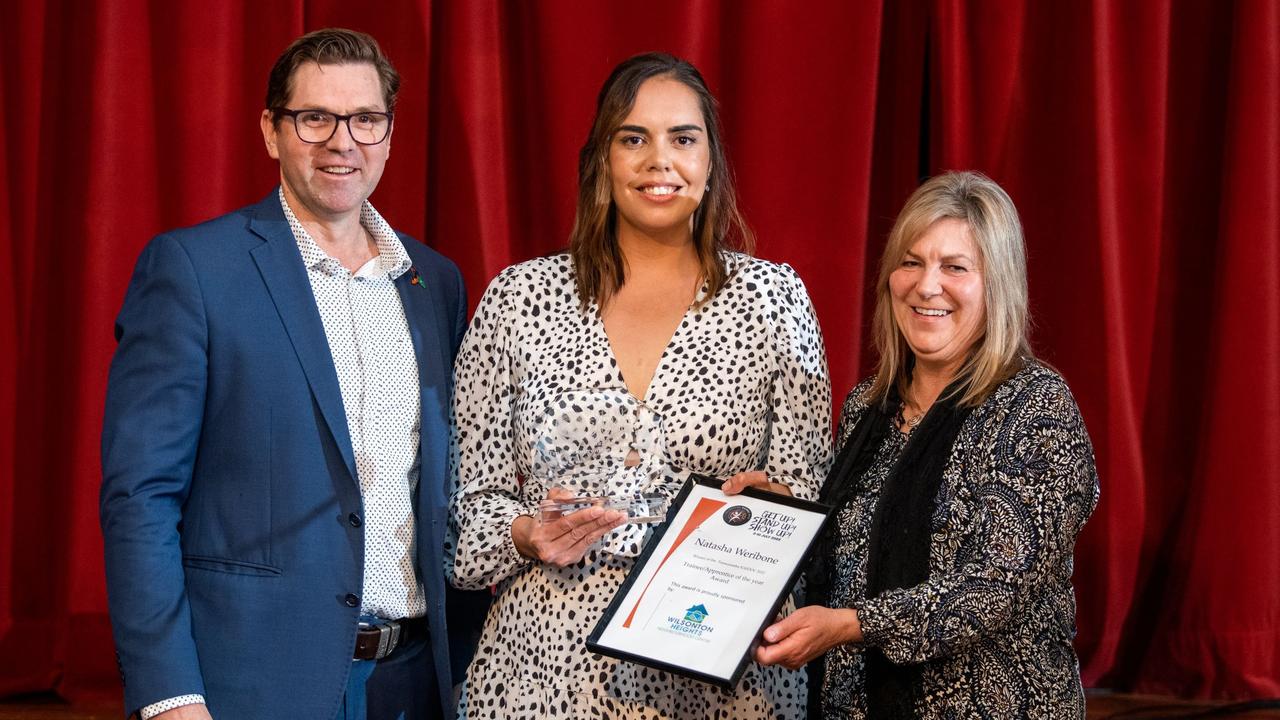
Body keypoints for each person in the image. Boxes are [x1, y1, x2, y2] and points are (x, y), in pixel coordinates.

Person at [100, 28, 487, 720]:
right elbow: (141, 496)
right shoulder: (194, 271)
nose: (344, 142)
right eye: (315, 118)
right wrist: (168, 694)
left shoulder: (436, 282)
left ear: (390, 134)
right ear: (272, 131)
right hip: (248, 686)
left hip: (414, 685)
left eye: (366, 119)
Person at [447, 52, 832, 718]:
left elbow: (810, 498)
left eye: (682, 138)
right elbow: (464, 523)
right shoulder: (518, 299)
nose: (660, 160)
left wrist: (774, 512)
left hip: (723, 680)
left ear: (710, 160)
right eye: (634, 139)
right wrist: (525, 534)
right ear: (601, 159)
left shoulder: (772, 299)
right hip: (542, 678)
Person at [749, 171, 1100, 718]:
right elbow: (852, 555)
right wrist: (776, 512)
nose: (926, 285)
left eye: (955, 267)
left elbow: (989, 589)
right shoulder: (867, 406)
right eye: (911, 262)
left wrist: (849, 626)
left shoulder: (1035, 408)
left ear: (997, 285)